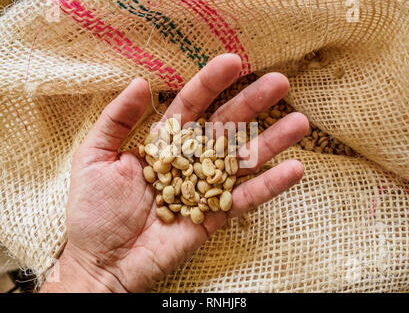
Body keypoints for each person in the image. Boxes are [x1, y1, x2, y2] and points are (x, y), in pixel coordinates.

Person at [40, 54, 309, 293]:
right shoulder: (175, 180)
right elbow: (175, 182)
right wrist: (89, 268)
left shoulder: (194, 179)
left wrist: (88, 271)